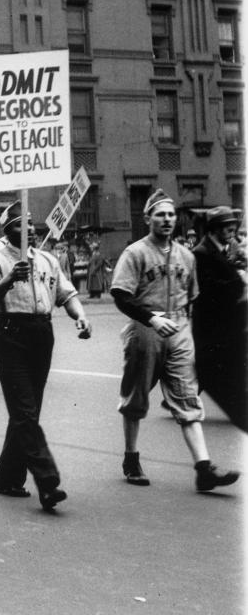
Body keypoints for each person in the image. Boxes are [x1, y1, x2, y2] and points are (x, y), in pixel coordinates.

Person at [111, 190, 240, 492]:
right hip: (146, 329)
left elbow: (192, 297)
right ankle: (131, 459)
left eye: (170, 215)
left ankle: (204, 469)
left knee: (188, 398)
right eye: (160, 215)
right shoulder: (136, 253)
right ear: (148, 219)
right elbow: (120, 295)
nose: (167, 220)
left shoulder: (186, 256)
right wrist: (151, 318)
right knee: (136, 397)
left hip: (179, 328)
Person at [0, 201, 92, 511]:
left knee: (27, 412)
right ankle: (47, 481)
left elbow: (66, 294)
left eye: (29, 224)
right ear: (6, 231)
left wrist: (79, 316)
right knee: (24, 411)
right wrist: (10, 279)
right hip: (11, 334)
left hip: (42, 334)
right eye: (18, 226)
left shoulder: (47, 260)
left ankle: (8, 478)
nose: (26, 229)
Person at [191, 206, 247, 433]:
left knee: (224, 369)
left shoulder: (223, 249)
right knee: (220, 371)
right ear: (214, 229)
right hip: (212, 326)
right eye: (226, 226)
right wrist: (239, 280)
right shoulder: (202, 253)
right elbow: (208, 289)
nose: (232, 229)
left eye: (233, 225)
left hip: (226, 323)